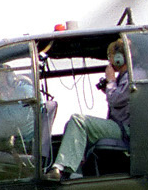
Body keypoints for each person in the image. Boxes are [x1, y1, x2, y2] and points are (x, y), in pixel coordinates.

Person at [45, 39, 131, 181]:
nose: (109, 60)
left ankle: (59, 168)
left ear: (119, 58)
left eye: (110, 56)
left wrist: (110, 81)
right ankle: (75, 172)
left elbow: (116, 99)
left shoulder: (132, 75)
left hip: (125, 130)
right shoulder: (123, 77)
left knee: (79, 120)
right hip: (120, 127)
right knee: (71, 125)